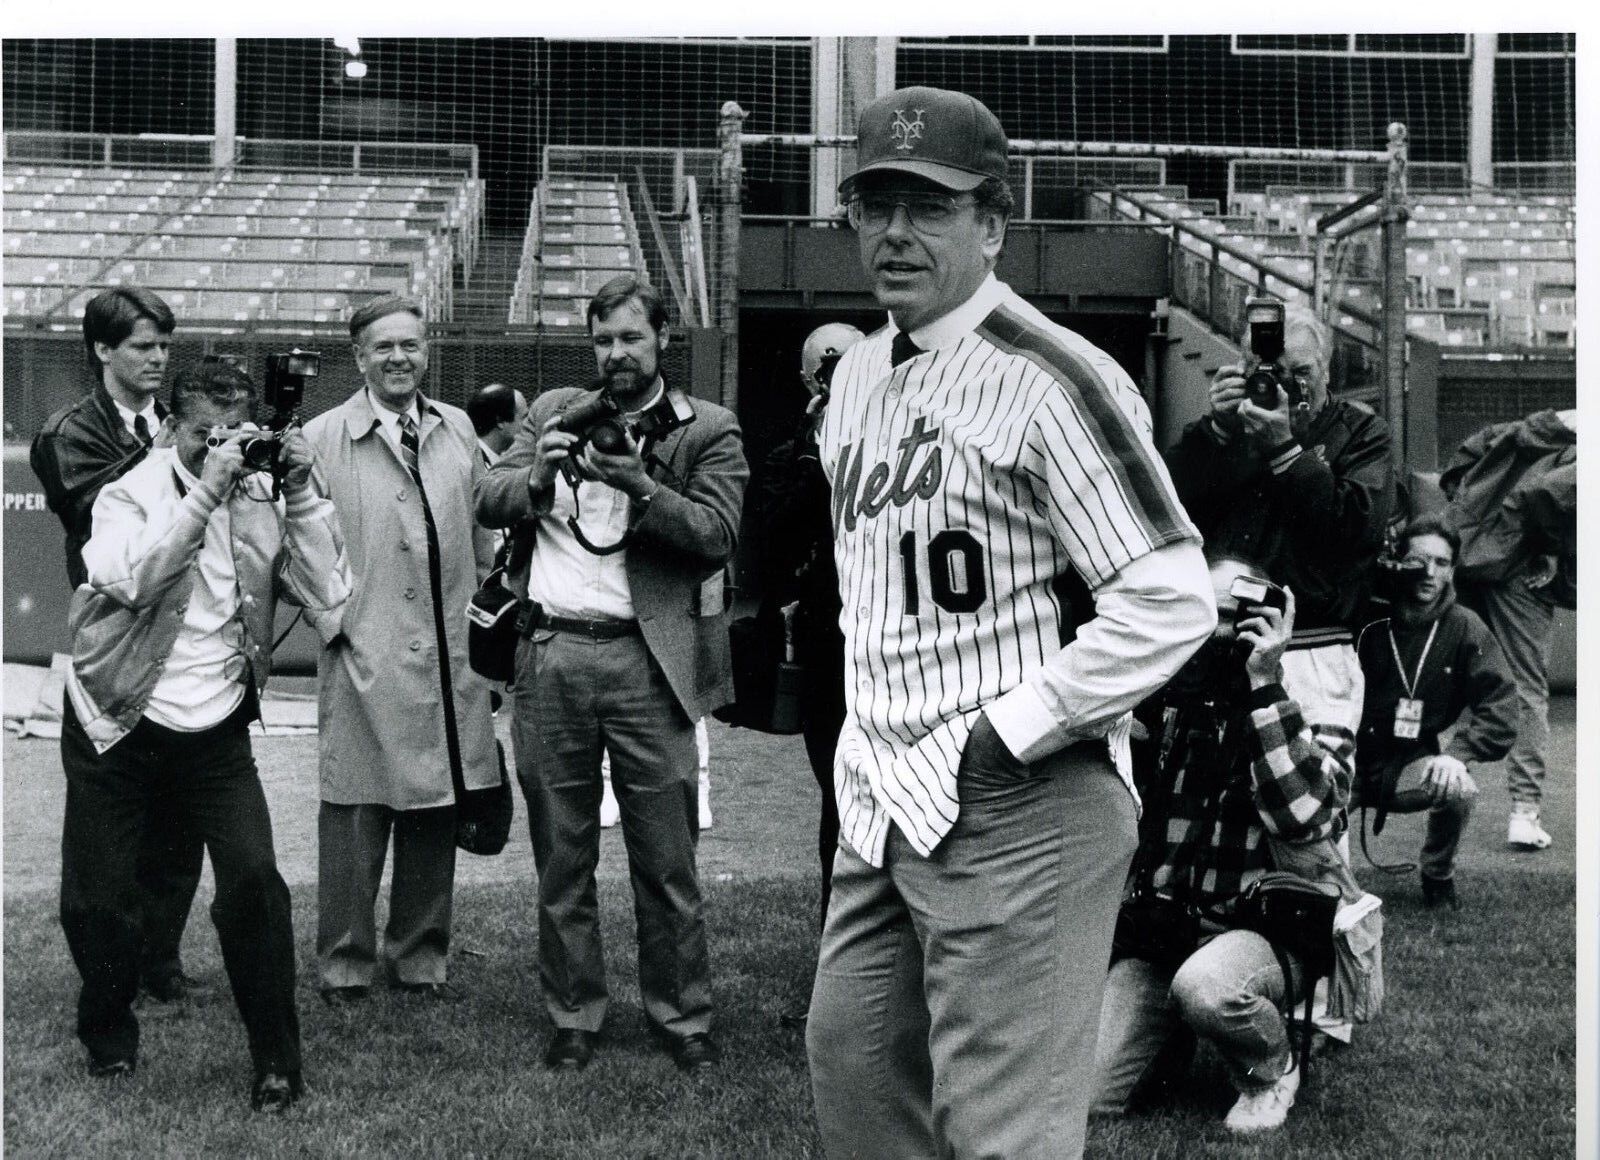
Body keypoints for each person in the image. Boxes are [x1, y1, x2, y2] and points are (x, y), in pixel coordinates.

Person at [806, 87, 1215, 1160]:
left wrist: (1009, 727)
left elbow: (1172, 597)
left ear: (990, 223)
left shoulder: (1052, 375)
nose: (894, 232)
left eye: (928, 207)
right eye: (875, 203)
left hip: (1021, 799)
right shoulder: (852, 375)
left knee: (1004, 1134)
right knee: (854, 1079)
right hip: (885, 799)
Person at [58, 360, 351, 1111]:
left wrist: (302, 491)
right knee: (99, 900)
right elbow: (135, 581)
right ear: (169, 428)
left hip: (214, 726)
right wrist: (206, 491)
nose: (218, 447)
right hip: (117, 718)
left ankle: (277, 1063)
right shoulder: (127, 493)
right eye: (202, 435)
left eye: (234, 433)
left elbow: (331, 597)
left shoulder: (260, 497)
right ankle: (108, 1032)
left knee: (255, 885)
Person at [477, 274, 748, 1074]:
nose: (616, 354)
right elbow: (487, 498)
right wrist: (535, 477)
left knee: (666, 859)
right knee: (563, 855)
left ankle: (683, 1016)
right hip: (551, 652)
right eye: (603, 341)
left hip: (648, 659)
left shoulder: (708, 427)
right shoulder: (558, 410)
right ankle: (574, 1014)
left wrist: (638, 483)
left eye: (631, 337)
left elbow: (717, 535)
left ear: (662, 337)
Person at [1089, 555, 1354, 1134]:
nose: (1218, 631)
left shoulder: (1310, 697)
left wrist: (1264, 685)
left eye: (1234, 615)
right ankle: (1173, 1037)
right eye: (1204, 612)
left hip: (1263, 932)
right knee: (1091, 1095)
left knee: (1208, 988)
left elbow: (1304, 815)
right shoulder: (1174, 697)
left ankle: (1273, 1069)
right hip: (1167, 933)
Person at [302, 295, 499, 1005]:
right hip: (365, 651)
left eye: (410, 345)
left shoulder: (458, 428)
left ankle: (420, 956)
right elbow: (299, 547)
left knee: (434, 807)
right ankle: (345, 962)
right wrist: (340, 625)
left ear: (426, 351)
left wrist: (487, 628)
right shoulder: (321, 438)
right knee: (355, 810)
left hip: (451, 656)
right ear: (358, 357)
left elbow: (485, 537)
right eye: (382, 347)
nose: (398, 359)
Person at [30, 286, 208, 1007]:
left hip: (186, 643)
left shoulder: (175, 422)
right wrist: (177, 459)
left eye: (165, 346)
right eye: (143, 346)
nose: (158, 359)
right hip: (111, 645)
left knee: (179, 823)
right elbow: (101, 513)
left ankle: (158, 958)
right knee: (105, 835)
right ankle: (109, 967)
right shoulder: (67, 433)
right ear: (102, 350)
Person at [1163, 303, 1394, 740]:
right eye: (1267, 370)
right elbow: (1168, 505)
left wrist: (1285, 451)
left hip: (1311, 645)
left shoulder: (1361, 433)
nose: (1286, 383)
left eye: (1300, 370)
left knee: (1303, 798)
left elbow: (1358, 527)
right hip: (1222, 644)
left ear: (1326, 368)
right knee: (1205, 796)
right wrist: (1216, 431)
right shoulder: (1229, 431)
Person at [1354, 515, 1517, 908]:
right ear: (1398, 562)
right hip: (1351, 758)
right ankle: (1330, 887)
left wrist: (1456, 757)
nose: (1429, 572)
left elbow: (1502, 708)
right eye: (1419, 560)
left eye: (1442, 563)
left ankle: (1437, 876)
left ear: (1453, 569)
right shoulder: (1367, 616)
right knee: (1310, 808)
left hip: (1412, 761)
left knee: (1458, 787)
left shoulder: (1465, 627)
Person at [760, 321, 863, 937]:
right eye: (829, 369)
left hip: (906, 647)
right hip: (833, 647)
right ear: (809, 380)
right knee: (841, 801)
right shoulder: (795, 450)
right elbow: (773, 541)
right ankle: (842, 950)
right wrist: (813, 447)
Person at [1440, 409, 1576, 850]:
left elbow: (1468, 452)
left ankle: (1443, 776)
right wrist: (1548, 550)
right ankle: (1524, 810)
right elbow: (1545, 491)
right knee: (1526, 688)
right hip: (1520, 571)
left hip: (1473, 556)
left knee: (1461, 679)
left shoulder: (1545, 425)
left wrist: (1475, 517)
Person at [466, 381, 529, 467]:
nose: (528, 425)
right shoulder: (472, 464)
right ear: (500, 422)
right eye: (524, 417)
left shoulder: (491, 459)